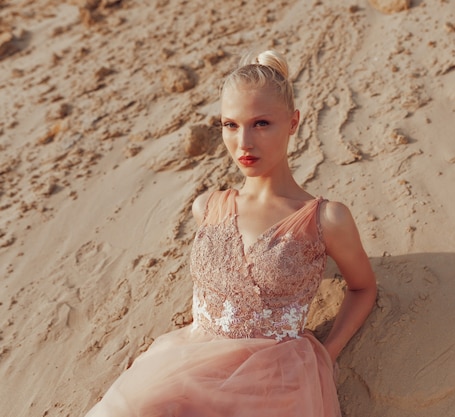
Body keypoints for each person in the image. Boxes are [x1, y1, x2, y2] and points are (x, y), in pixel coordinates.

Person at [85, 50, 377, 417]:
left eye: (261, 124)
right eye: (231, 125)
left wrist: (327, 352)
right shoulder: (206, 207)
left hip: (278, 379)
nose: (244, 143)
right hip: (188, 365)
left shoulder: (325, 219)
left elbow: (363, 287)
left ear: (293, 122)